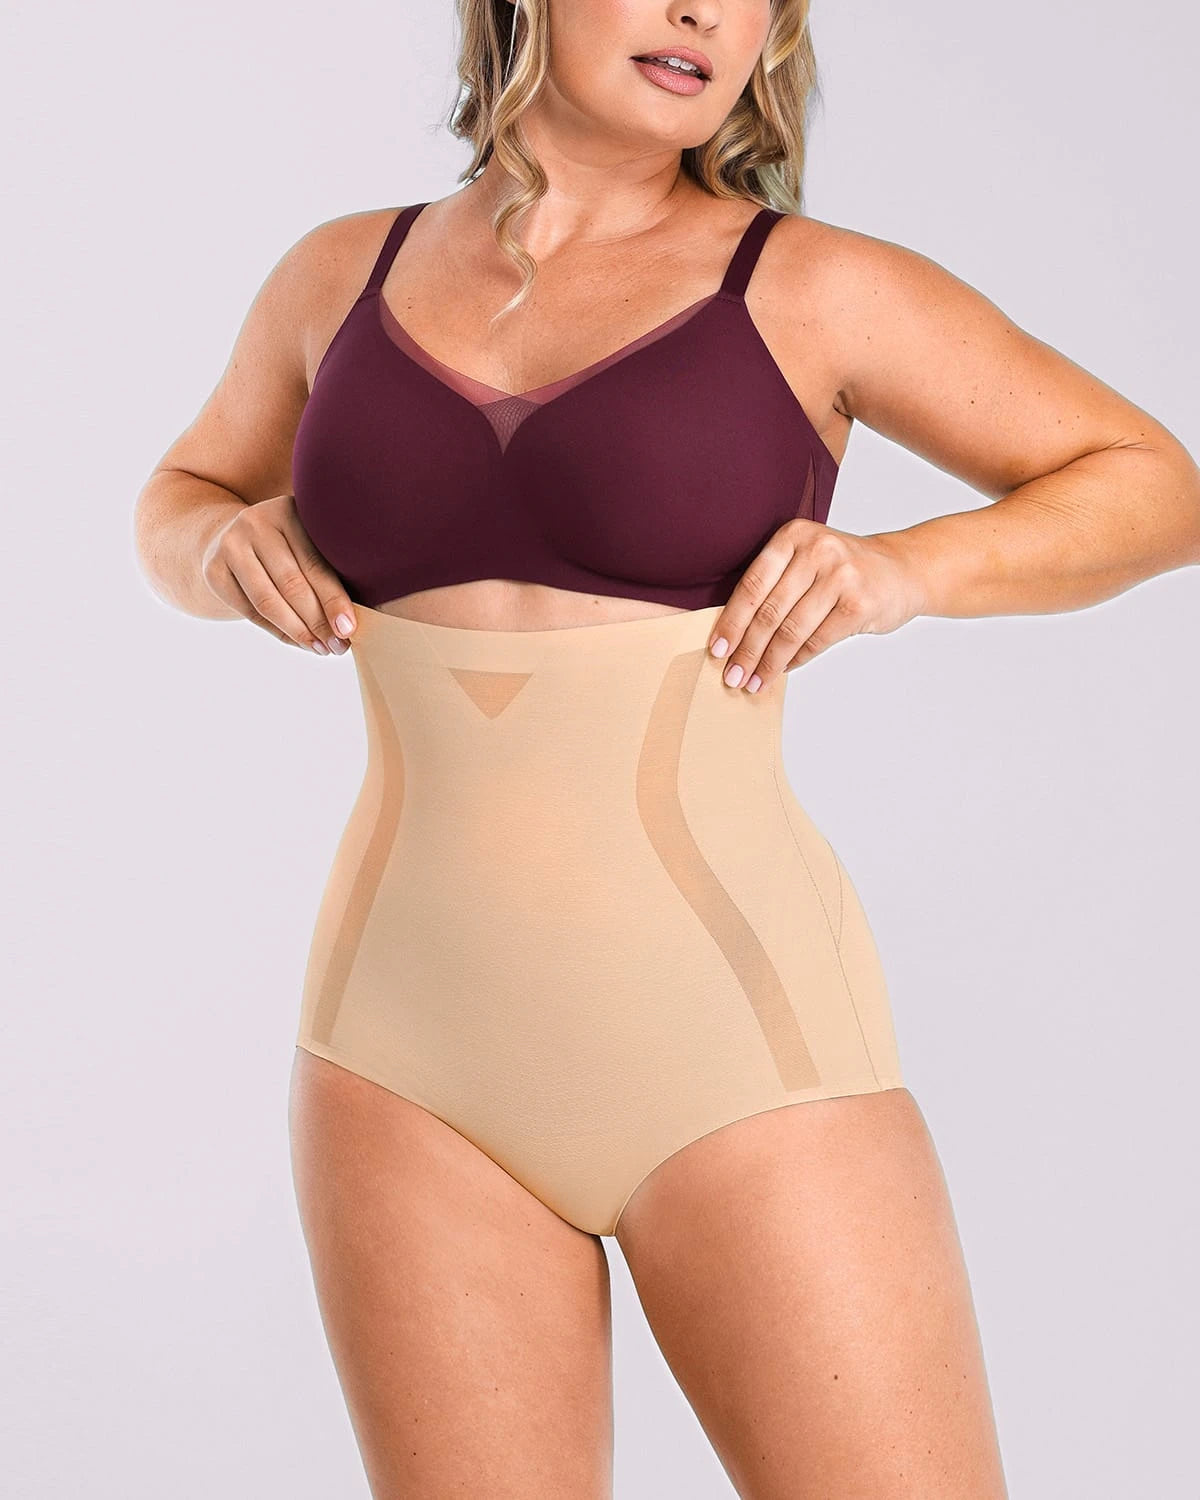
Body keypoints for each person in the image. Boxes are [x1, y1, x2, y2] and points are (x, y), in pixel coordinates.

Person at [132, 2, 1200, 1495]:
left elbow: (1153, 485)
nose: (706, 9)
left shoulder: (812, 288)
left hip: (737, 1047)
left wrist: (902, 570)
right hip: (397, 1048)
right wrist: (214, 548)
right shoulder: (338, 276)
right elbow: (181, 492)